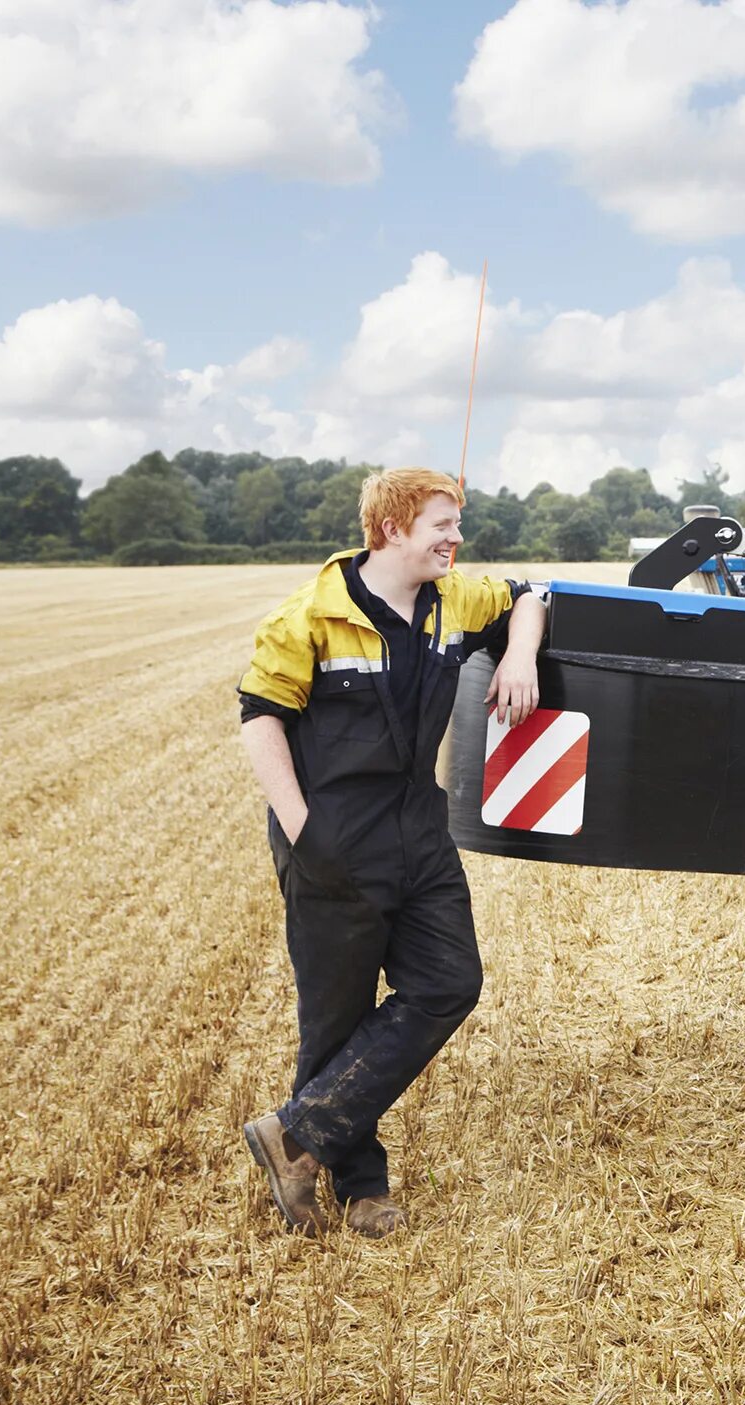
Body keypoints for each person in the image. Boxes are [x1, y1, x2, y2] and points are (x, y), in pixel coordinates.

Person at [235, 466, 545, 1237]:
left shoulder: (455, 602)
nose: (456, 537)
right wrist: (304, 829)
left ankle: (297, 1135)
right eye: (442, 523)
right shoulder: (309, 617)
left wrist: (519, 655)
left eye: (457, 523)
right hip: (334, 838)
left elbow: (531, 593)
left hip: (418, 830)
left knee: (449, 982)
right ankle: (361, 1188)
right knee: (336, 1020)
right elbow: (259, 719)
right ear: (394, 528)